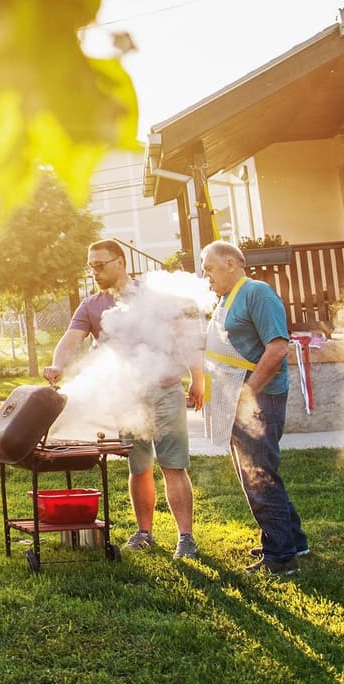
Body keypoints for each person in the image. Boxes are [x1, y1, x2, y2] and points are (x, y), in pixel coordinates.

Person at [44, 239, 207, 559]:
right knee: (139, 467)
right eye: (90, 266)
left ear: (120, 262)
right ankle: (144, 532)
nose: (95, 272)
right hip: (127, 399)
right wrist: (58, 364)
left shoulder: (153, 297)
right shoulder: (90, 305)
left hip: (165, 391)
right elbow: (70, 339)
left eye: (100, 265)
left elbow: (182, 335)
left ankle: (185, 538)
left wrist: (197, 378)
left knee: (173, 466)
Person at [200, 240, 310, 576]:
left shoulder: (257, 293)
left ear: (232, 263)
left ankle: (280, 558)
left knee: (259, 476)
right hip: (234, 397)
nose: (206, 277)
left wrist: (248, 393)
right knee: (262, 473)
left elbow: (277, 349)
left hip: (258, 400)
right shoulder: (225, 300)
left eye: (209, 269)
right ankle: (294, 541)